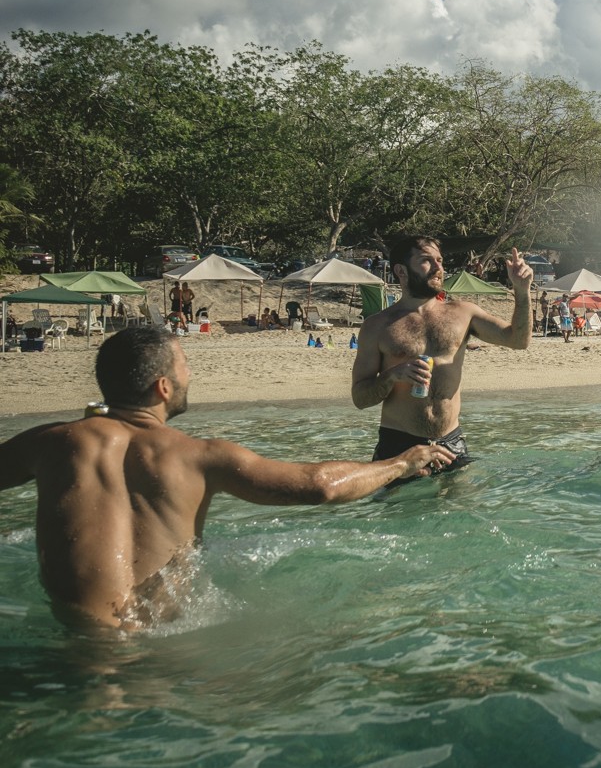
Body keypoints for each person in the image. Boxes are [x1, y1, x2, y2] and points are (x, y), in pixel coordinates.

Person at [0, 328, 453, 630]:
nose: (188, 376)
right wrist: (402, 463)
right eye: (183, 369)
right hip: (156, 644)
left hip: (73, 640)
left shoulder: (49, 442)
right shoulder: (199, 455)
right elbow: (320, 486)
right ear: (162, 387)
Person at [351, 236, 533, 483]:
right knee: (398, 516)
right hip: (399, 447)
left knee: (462, 517)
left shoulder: (463, 313)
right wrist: (392, 375)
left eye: (440, 260)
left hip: (452, 444)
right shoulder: (377, 326)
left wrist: (522, 293)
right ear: (401, 271)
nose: (439, 268)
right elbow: (360, 398)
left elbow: (518, 340)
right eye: (426, 261)